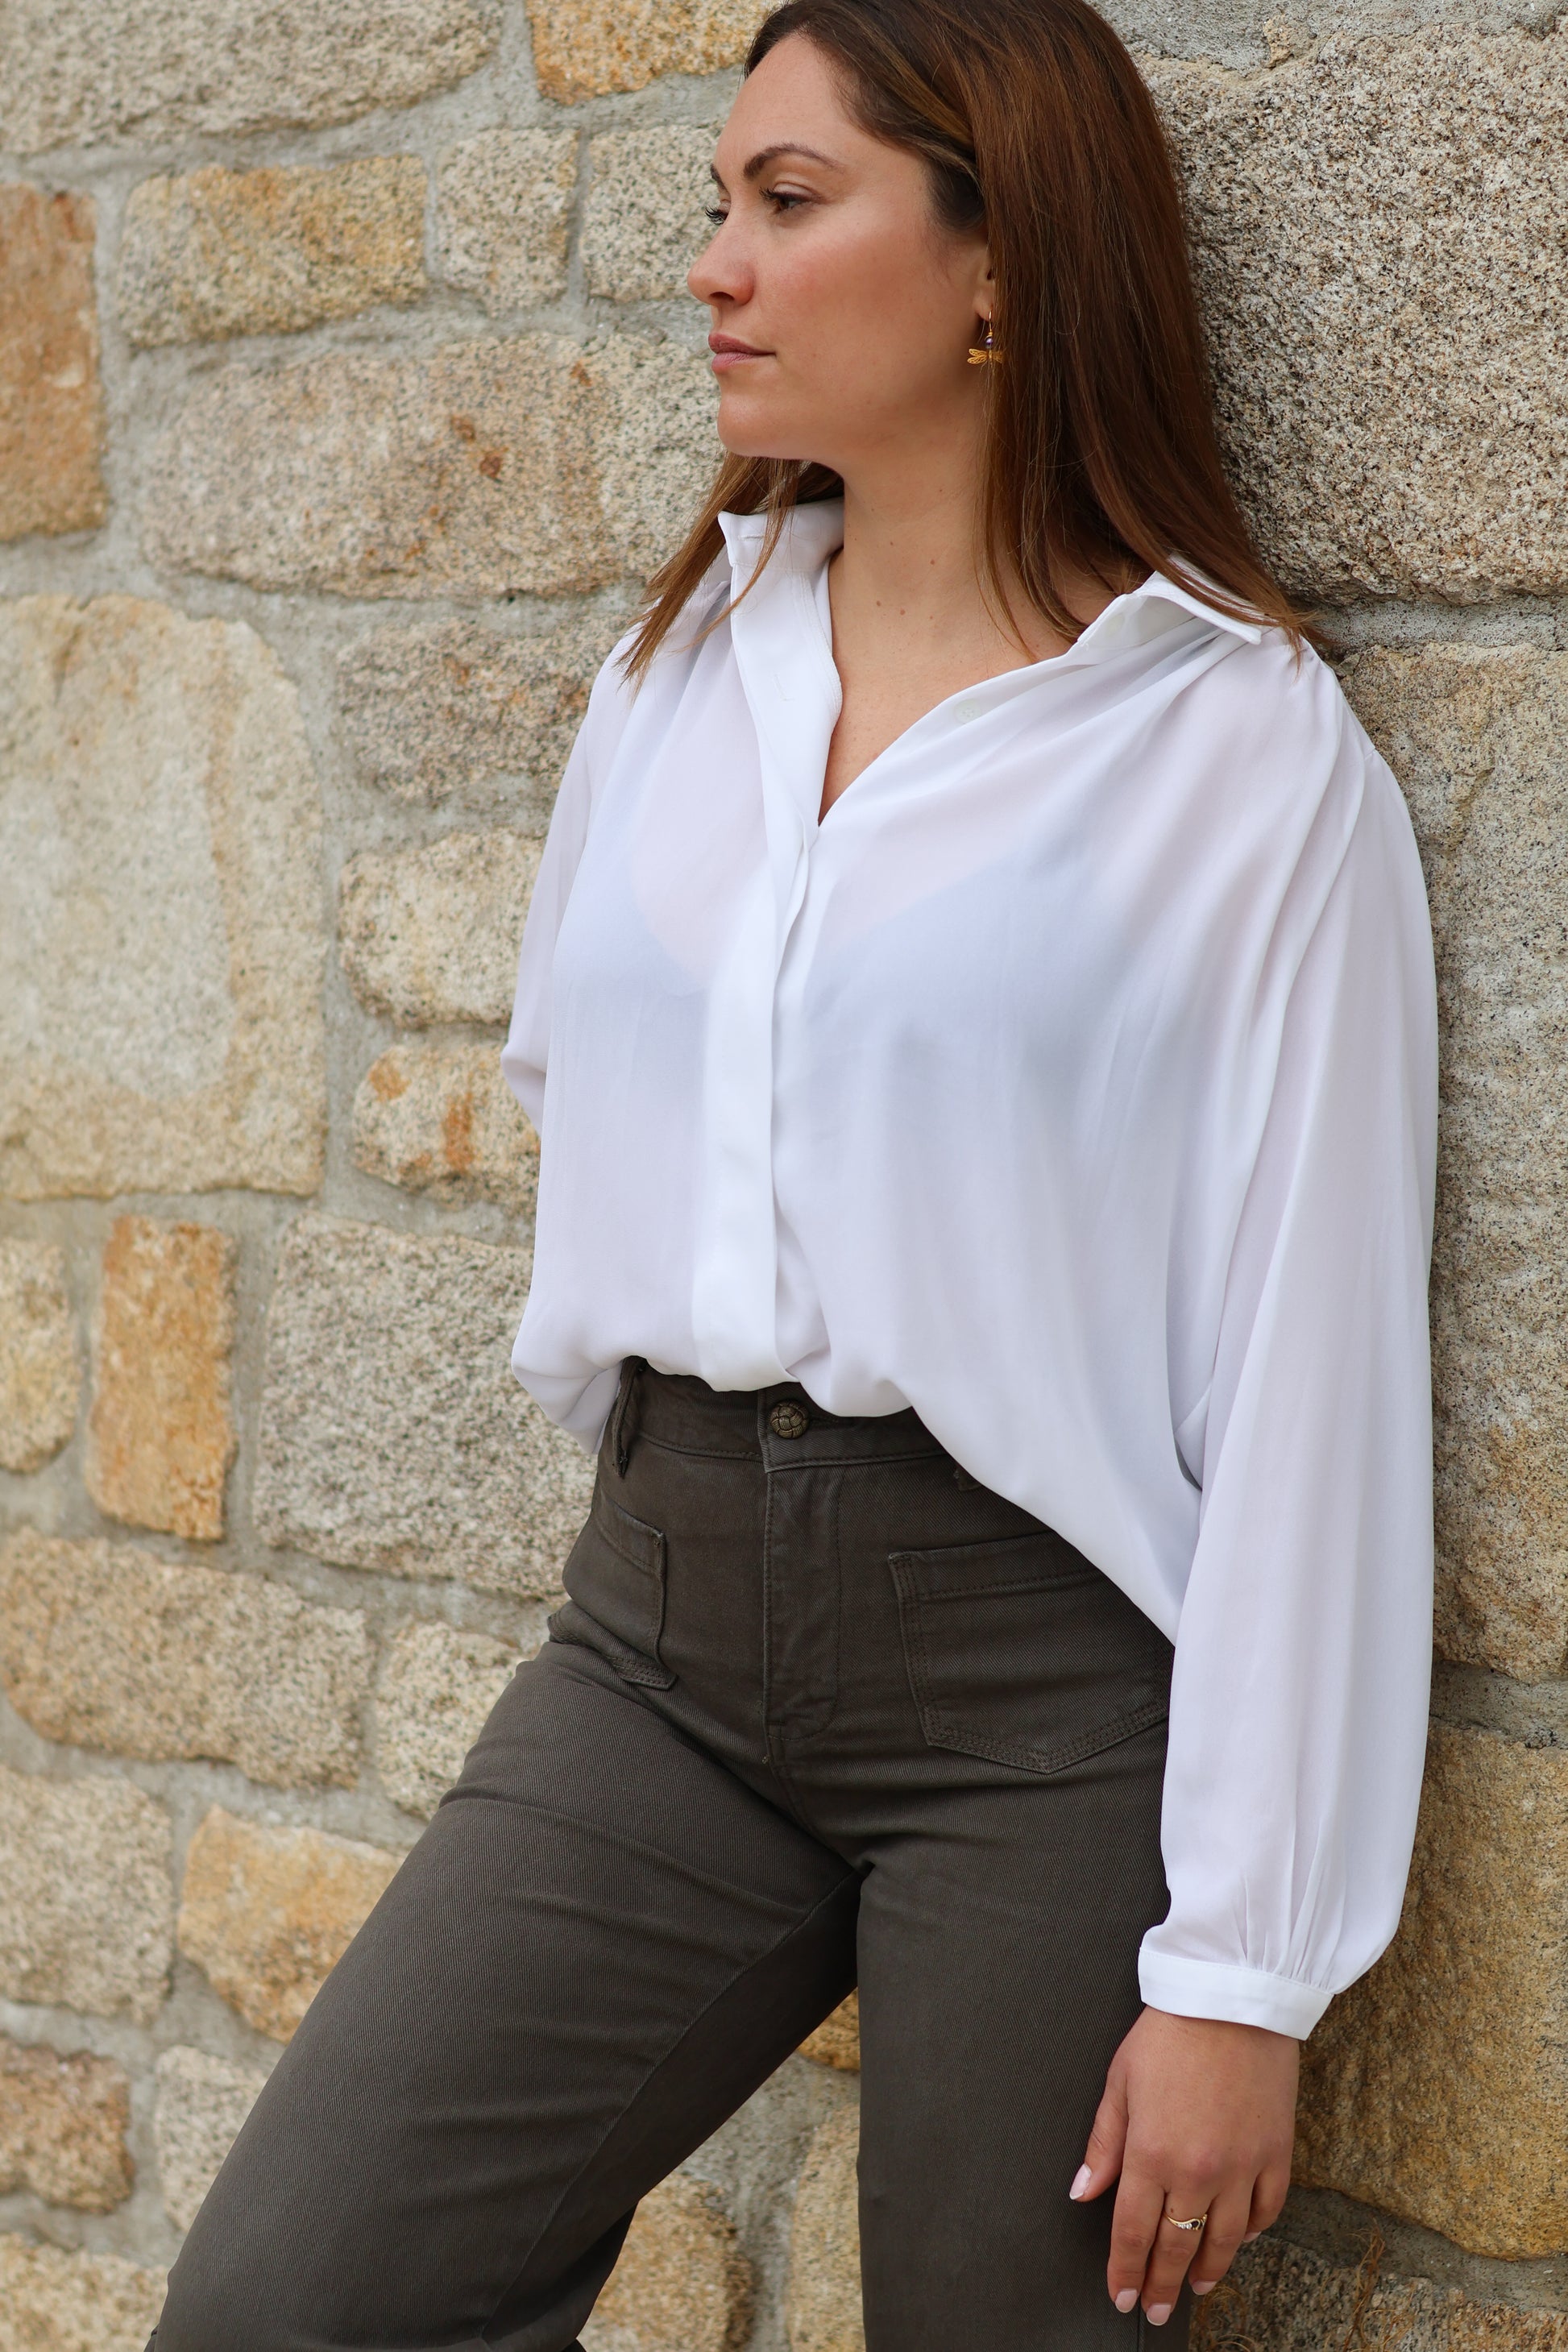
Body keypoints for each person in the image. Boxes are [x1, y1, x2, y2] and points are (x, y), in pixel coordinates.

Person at [146, 1, 1437, 2346]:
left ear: (999, 263)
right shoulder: (673, 677)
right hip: (659, 1637)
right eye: (714, 204)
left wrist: (1242, 1969)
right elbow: (594, 1091)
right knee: (288, 2302)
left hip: (1044, 1689)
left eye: (788, 199)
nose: (715, 264)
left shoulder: (1237, 753)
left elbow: (1311, 1373)